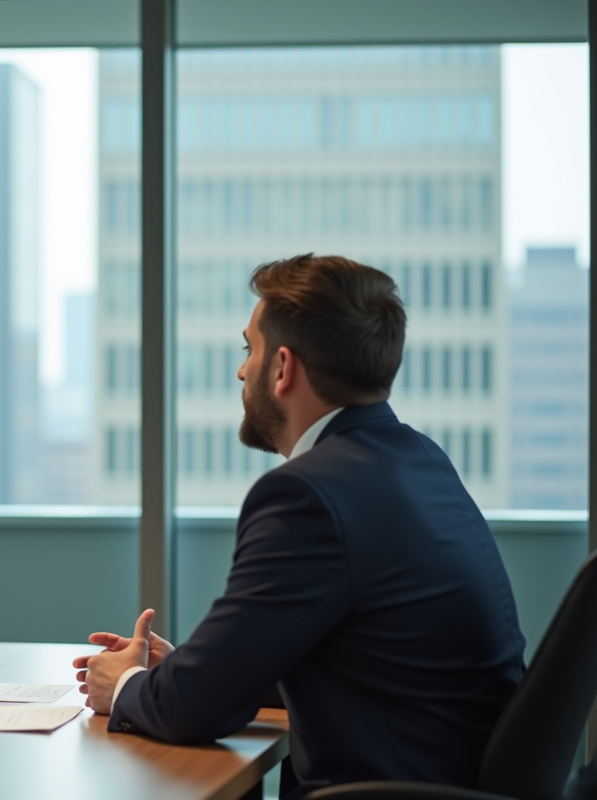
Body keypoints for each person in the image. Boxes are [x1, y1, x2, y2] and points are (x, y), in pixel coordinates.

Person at [74, 254, 525, 795]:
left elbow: (192, 715)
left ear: (283, 367)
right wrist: (196, 672)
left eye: (249, 349)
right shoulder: (419, 458)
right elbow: (381, 662)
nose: (242, 370)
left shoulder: (306, 494)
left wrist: (123, 684)